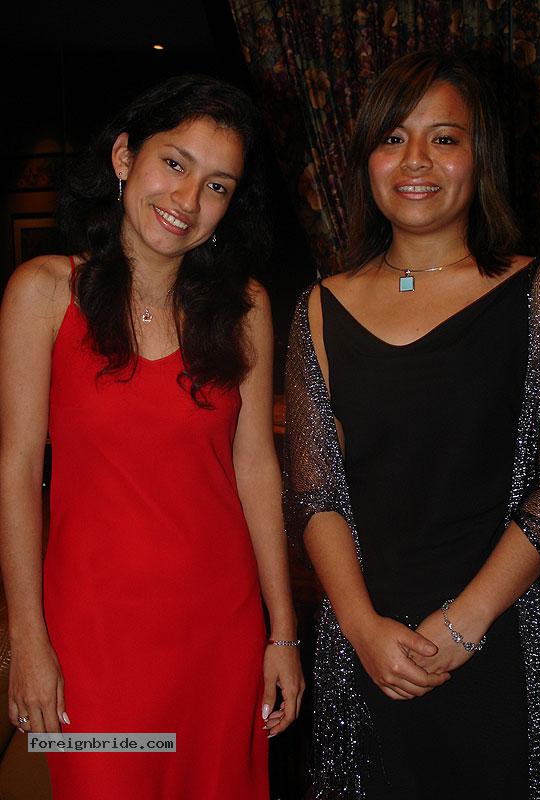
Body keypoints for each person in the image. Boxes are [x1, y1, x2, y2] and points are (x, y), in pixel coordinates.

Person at [284, 51, 540, 799]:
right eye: (392, 137)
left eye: (444, 138)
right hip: (370, 648)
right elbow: (316, 492)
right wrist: (361, 627)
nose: (415, 159)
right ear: (366, 161)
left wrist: (462, 626)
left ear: (480, 159)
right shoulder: (319, 308)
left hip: (507, 636)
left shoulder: (539, 294)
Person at [0, 74, 304, 799]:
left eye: (217, 185)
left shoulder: (247, 307)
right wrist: (26, 639)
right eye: (175, 163)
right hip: (92, 639)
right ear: (124, 157)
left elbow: (256, 469)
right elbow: (16, 472)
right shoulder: (44, 292)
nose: (188, 199)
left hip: (220, 631)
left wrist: (282, 633)